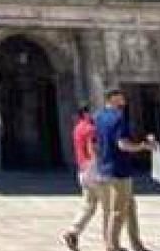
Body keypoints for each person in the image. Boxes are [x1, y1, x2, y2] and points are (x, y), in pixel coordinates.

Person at [95, 88, 156, 251]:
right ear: (113, 99)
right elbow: (123, 145)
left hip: (104, 168)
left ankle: (136, 243)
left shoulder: (99, 117)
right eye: (121, 98)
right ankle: (112, 246)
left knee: (129, 207)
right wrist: (143, 146)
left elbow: (96, 143)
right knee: (118, 211)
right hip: (119, 170)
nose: (124, 101)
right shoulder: (119, 118)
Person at [62, 105, 103, 251]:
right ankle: (111, 241)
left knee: (89, 205)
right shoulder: (91, 128)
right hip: (93, 168)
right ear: (85, 113)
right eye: (92, 112)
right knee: (109, 204)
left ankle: (73, 231)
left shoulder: (77, 128)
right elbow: (92, 147)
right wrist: (98, 160)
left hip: (82, 169)